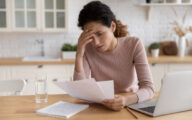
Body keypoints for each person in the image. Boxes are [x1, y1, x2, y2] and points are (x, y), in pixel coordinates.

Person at [73, 1, 154, 111]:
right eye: (90, 37)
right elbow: (80, 91)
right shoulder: (87, 49)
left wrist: (125, 100)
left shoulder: (134, 44)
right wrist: (79, 54)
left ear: (112, 26)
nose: (95, 42)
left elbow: (149, 89)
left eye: (100, 34)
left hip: (130, 106)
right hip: (102, 108)